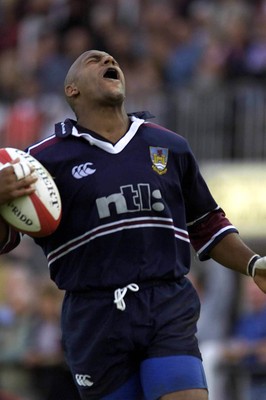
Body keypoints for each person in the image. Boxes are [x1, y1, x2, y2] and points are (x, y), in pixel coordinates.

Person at [0, 49, 266, 400]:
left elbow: (207, 224)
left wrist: (253, 263)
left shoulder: (170, 146)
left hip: (166, 302)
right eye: (93, 60)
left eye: (112, 60)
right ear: (71, 90)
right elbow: (6, 242)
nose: (108, 61)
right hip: (93, 315)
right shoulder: (41, 160)